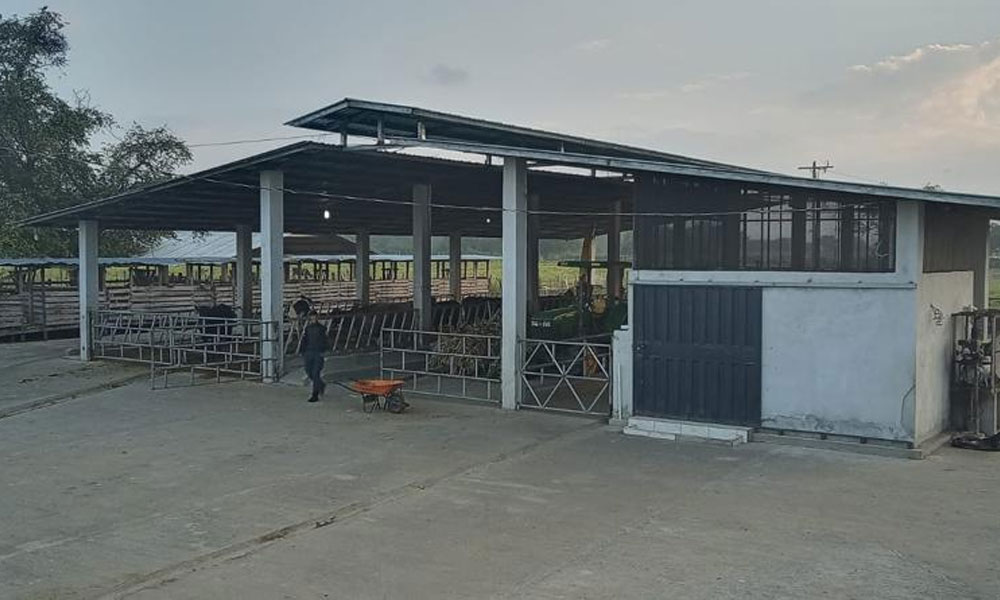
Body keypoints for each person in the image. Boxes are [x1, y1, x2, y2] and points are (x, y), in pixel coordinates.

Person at [301, 310, 328, 403]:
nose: (313, 318)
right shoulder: (308, 328)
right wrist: (303, 351)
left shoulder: (321, 328)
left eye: (314, 316)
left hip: (318, 353)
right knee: (308, 371)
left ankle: (315, 394)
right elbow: (305, 340)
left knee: (315, 373)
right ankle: (321, 384)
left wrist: (323, 350)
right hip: (309, 352)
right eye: (311, 317)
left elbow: (325, 340)